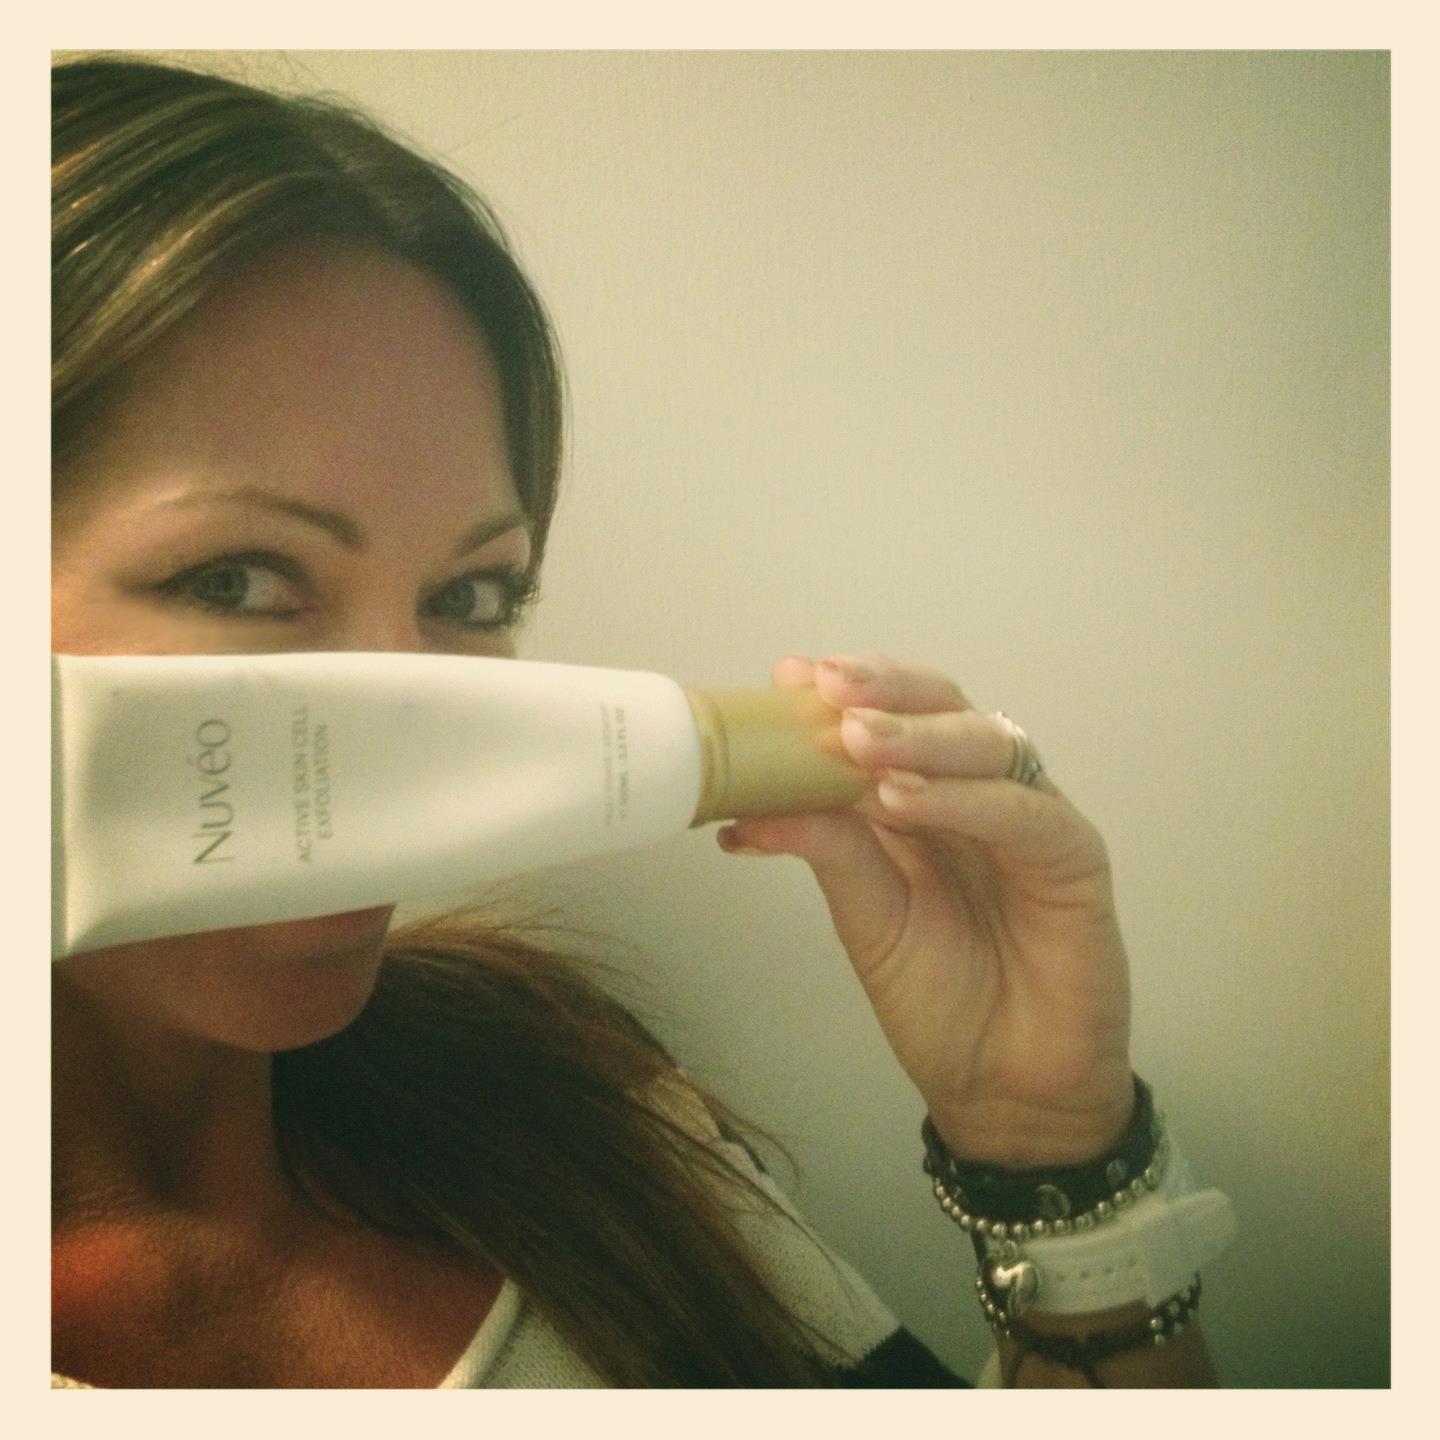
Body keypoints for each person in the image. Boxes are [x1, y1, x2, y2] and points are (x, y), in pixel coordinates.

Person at [50, 56, 1229, 1388]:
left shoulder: (560, 1096)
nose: (420, 731)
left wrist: (1049, 1154)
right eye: (238, 581)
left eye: (469, 596)